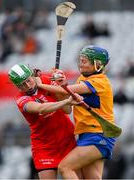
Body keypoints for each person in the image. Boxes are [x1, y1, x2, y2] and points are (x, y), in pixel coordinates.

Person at [36, 45, 116, 179]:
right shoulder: (83, 79)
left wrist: (39, 84)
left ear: (97, 64)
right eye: (81, 60)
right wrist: (60, 81)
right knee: (92, 178)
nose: (81, 63)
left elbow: (64, 91)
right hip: (86, 134)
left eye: (85, 60)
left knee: (65, 167)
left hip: (98, 135)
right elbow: (67, 98)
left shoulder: (100, 81)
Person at [8, 63, 79, 180]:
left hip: (67, 139)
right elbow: (41, 108)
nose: (28, 86)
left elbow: (67, 111)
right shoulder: (21, 100)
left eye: (28, 80)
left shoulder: (46, 80)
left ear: (32, 75)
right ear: (18, 87)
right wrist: (65, 102)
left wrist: (60, 89)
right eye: (22, 85)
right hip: (44, 147)